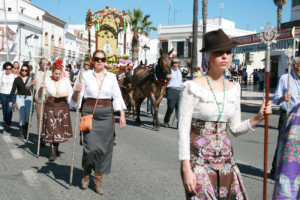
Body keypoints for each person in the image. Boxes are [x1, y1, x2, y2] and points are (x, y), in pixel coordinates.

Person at [178, 29, 272, 199]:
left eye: (228, 52)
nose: (225, 56)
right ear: (208, 56)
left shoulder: (234, 88)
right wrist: (186, 168)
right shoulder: (191, 87)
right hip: (197, 162)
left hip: (227, 162)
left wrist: (258, 117)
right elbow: (183, 131)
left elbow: (235, 129)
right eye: (219, 52)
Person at [70, 50, 126, 195]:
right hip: (89, 112)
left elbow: (117, 97)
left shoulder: (112, 77)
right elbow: (75, 100)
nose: (100, 61)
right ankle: (87, 172)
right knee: (91, 148)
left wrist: (122, 114)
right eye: (97, 59)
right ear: (92, 61)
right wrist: (76, 91)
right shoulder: (84, 75)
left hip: (107, 114)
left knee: (104, 150)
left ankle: (98, 180)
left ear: (105, 61)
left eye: (102, 59)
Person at [270, 57, 300, 178]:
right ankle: (275, 171)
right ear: (294, 66)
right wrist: (283, 98)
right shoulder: (285, 79)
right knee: (284, 143)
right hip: (287, 115)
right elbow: (276, 99)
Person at [38, 59, 73, 161]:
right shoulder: (47, 80)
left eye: (59, 73)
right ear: (52, 72)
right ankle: (53, 151)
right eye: (55, 73)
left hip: (62, 106)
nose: (57, 75)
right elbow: (40, 96)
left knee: (59, 129)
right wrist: (41, 88)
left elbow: (70, 93)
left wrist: (63, 94)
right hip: (50, 105)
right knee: (52, 128)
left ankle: (56, 147)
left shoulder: (65, 80)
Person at [272, 103, 300, 199]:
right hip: (286, 112)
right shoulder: (298, 116)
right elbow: (290, 172)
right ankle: (273, 169)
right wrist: (284, 99)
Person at [29, 58, 52, 146]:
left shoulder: (51, 73)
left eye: (46, 64)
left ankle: (47, 134)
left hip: (49, 97)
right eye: (43, 64)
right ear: (39, 65)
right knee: (40, 117)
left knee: (48, 118)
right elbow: (27, 86)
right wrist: (32, 84)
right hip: (39, 98)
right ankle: (40, 136)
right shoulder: (34, 73)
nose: (45, 66)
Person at [9, 64, 32, 138]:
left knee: (28, 115)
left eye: (25, 70)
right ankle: (22, 131)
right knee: (22, 114)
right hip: (20, 97)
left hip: (29, 98)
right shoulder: (17, 79)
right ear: (21, 70)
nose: (24, 72)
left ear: (28, 71)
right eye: (22, 70)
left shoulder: (31, 79)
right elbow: (13, 90)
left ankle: (26, 128)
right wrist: (10, 100)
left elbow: (34, 90)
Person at [164, 58, 183, 128]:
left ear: (178, 64)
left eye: (176, 63)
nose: (175, 64)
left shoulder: (180, 71)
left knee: (179, 108)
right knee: (170, 107)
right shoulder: (169, 71)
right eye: (174, 63)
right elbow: (166, 80)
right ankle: (166, 121)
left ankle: (179, 123)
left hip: (179, 90)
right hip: (171, 90)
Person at [0, 62, 17, 130]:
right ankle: (5, 120)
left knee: (9, 109)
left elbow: (16, 86)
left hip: (11, 94)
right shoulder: (1, 75)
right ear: (4, 69)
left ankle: (8, 123)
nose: (8, 70)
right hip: (3, 93)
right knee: (4, 109)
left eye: (9, 69)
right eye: (6, 68)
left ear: (11, 69)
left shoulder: (14, 76)